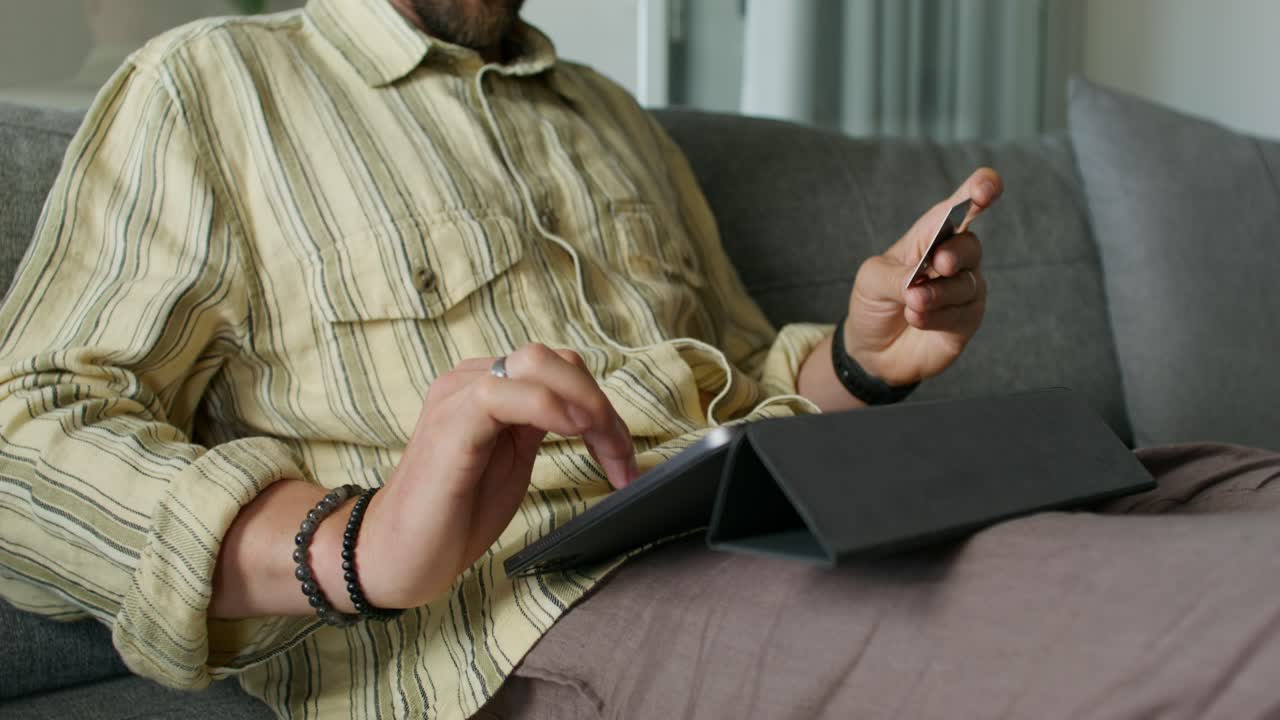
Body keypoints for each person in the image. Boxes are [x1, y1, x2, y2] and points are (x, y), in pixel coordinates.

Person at [2, 1, 1278, 718]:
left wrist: (862, 359)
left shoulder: (605, 113)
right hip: (541, 614)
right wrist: (357, 545)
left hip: (777, 512)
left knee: (1230, 485)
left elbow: (738, 386)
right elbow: (26, 437)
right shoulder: (210, 87)